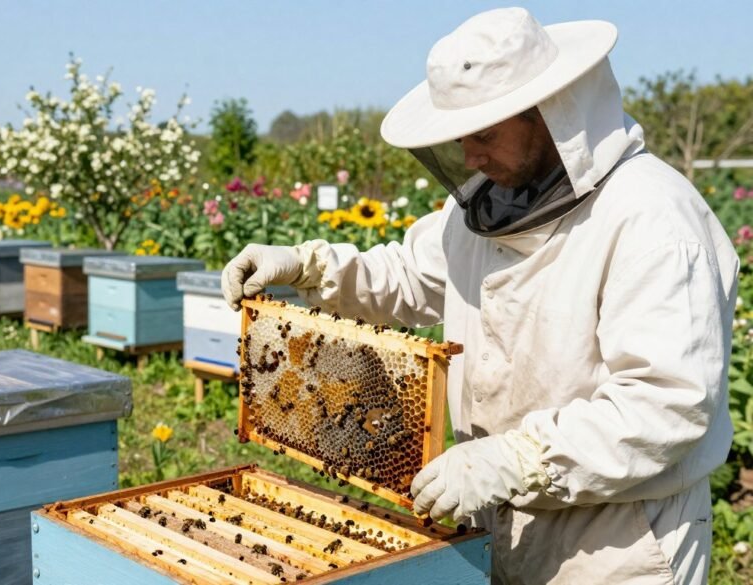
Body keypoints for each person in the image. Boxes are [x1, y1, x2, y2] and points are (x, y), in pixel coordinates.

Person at [221, 7, 739, 584]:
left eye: (484, 133)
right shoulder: (486, 207)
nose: (469, 156)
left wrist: (518, 459)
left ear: (548, 114)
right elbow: (412, 277)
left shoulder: (652, 220)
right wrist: (310, 267)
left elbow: (665, 404)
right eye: (460, 136)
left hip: (617, 543)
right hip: (493, 521)